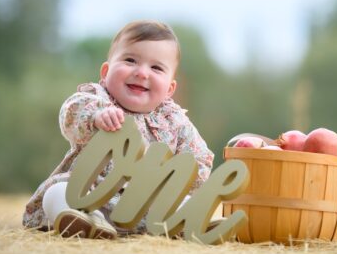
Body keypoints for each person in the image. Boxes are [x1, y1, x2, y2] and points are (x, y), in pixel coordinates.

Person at [22, 20, 215, 239]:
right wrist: (96, 117)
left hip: (145, 207)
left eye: (156, 68)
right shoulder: (98, 99)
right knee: (55, 193)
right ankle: (88, 223)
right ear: (106, 71)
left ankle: (185, 222)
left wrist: (171, 176)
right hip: (89, 197)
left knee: (186, 202)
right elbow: (71, 113)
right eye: (130, 60)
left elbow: (199, 160)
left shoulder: (175, 121)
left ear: (170, 88)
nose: (142, 73)